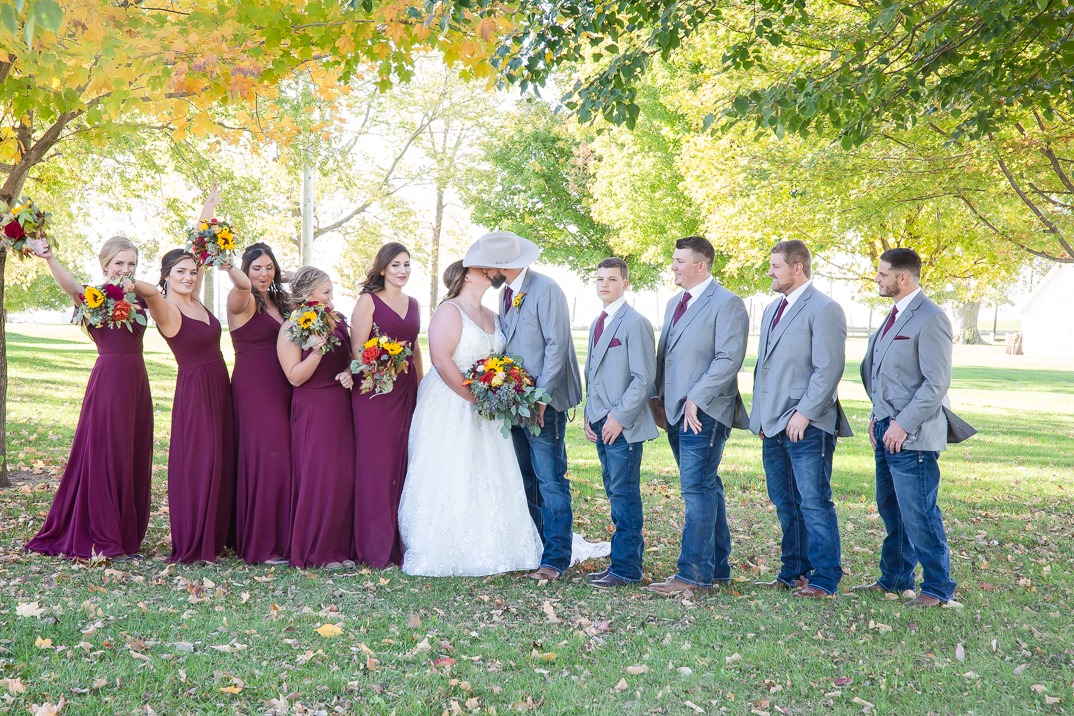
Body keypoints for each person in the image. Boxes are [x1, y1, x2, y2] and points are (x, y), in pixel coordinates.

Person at [397, 260, 542, 577]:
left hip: (488, 402)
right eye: (481, 268)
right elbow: (440, 358)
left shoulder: (493, 314)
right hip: (451, 401)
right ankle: (447, 542)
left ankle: (498, 540)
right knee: (454, 467)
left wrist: (499, 389)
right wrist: (472, 398)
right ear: (465, 275)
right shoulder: (449, 311)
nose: (490, 270)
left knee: (490, 469)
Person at [24, 236, 154, 560]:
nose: (125, 270)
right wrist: (50, 258)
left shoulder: (140, 297)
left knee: (132, 453)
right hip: (110, 383)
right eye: (119, 263)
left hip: (137, 383)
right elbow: (70, 286)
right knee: (109, 454)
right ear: (105, 265)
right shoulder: (94, 297)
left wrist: (134, 284)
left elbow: (163, 294)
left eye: (131, 264)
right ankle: (106, 536)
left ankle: (126, 535)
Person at [465, 231, 582, 582]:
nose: (487, 271)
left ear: (505, 265)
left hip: (542, 403)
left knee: (550, 480)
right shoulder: (506, 294)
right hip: (513, 402)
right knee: (525, 477)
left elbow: (556, 345)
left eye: (490, 266)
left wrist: (541, 398)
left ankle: (556, 557)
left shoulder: (546, 289)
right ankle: (536, 546)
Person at [857, 248, 970, 607]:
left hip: (913, 435)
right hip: (884, 428)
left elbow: (936, 383)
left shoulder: (930, 317)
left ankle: (938, 589)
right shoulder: (892, 315)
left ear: (902, 278)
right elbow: (878, 371)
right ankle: (894, 579)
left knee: (920, 512)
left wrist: (902, 425)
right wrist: (879, 415)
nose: (877, 279)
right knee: (892, 509)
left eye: (882, 274)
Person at [648, 236, 749, 595]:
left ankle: (692, 575)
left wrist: (697, 397)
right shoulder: (676, 303)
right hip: (675, 411)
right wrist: (658, 398)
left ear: (700, 265)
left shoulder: (728, 304)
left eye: (679, 260)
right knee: (707, 486)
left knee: (696, 488)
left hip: (705, 412)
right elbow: (666, 355)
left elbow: (728, 358)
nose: (673, 266)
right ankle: (718, 567)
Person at [749, 240, 850, 599]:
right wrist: (760, 418)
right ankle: (793, 571)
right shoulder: (771, 309)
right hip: (772, 424)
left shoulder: (824, 309)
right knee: (784, 501)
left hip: (807, 425)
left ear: (798, 268)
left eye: (776, 266)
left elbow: (828, 369)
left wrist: (804, 413)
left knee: (813, 501)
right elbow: (765, 369)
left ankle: (825, 578)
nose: (770, 273)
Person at [133, 248, 236, 563]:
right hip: (195, 390)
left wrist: (211, 205)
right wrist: (124, 280)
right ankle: (195, 538)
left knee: (221, 458)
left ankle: (218, 535)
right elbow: (150, 291)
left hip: (220, 386)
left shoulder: (194, 296)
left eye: (192, 272)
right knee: (200, 461)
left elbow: (200, 247)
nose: (189, 277)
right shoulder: (165, 307)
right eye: (180, 272)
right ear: (166, 276)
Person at [581, 258, 658, 589]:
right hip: (599, 421)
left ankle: (627, 568)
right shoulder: (598, 321)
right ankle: (620, 562)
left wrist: (617, 418)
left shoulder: (635, 323)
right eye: (599, 279)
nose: (604, 285)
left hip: (622, 426)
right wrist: (589, 413)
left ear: (625, 284)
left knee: (625, 495)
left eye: (611, 279)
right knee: (614, 492)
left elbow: (643, 379)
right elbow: (594, 374)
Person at [350, 242, 423, 569]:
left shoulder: (415, 303)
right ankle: (374, 546)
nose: (402, 270)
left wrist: (422, 389)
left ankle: (399, 541)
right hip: (375, 393)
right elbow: (356, 351)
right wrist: (380, 368)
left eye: (406, 264)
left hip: (406, 390)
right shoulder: (368, 302)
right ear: (382, 268)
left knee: (402, 463)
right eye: (395, 265)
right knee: (377, 466)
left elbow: (416, 348)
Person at [278, 267, 356, 568]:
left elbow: (349, 358)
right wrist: (317, 351)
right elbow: (295, 377)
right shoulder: (291, 328)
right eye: (326, 293)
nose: (332, 299)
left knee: (342, 476)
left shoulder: (337, 323)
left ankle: (339, 548)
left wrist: (349, 373)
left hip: (340, 405)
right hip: (313, 406)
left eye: (331, 292)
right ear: (308, 295)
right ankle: (317, 551)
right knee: (319, 477)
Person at [227, 242, 294, 565]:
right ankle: (262, 544)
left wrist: (290, 278)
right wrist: (234, 271)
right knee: (268, 458)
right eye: (257, 268)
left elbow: (313, 292)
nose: (264, 274)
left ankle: (285, 536)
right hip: (255, 387)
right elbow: (241, 284)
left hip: (285, 384)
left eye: (269, 267)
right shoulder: (240, 298)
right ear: (245, 269)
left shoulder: (280, 300)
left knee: (284, 458)